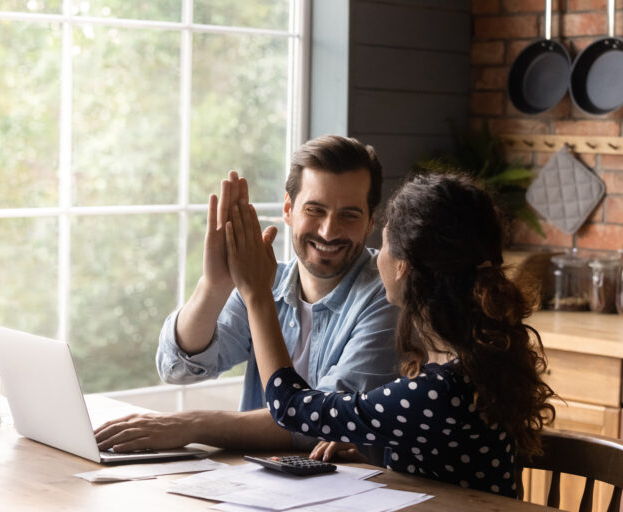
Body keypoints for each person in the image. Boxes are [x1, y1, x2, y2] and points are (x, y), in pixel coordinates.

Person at [223, 172, 556, 496]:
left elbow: (289, 407)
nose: (376, 256)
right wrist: (376, 457)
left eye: (382, 244)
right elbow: (446, 464)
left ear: (403, 265)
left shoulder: (440, 390)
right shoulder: (470, 364)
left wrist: (257, 295)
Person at [95, 135, 398, 452]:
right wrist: (214, 285)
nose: (328, 231)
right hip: (254, 480)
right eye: (315, 209)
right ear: (288, 209)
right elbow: (177, 368)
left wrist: (191, 425)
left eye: (348, 215)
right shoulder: (267, 279)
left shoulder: (387, 296)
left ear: (370, 222)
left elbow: (324, 422)